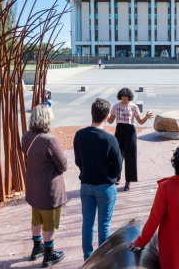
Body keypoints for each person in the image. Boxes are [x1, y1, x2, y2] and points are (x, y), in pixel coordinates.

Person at [127, 146, 179, 269]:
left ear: (175, 165)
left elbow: (154, 218)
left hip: (173, 242)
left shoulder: (165, 187)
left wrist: (141, 241)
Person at [74, 99, 123, 261]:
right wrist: (113, 177)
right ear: (107, 116)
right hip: (105, 186)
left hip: (86, 185)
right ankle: (103, 260)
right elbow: (118, 166)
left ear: (92, 113)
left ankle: (88, 258)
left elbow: (78, 161)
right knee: (104, 225)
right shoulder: (109, 139)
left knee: (87, 224)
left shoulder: (79, 135)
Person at [22, 105, 68, 267]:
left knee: (37, 218)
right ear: (46, 119)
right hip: (49, 189)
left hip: (34, 186)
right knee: (50, 221)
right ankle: (49, 253)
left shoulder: (26, 136)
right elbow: (62, 165)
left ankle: (37, 248)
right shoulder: (50, 140)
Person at [107, 88, 154, 191]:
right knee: (117, 155)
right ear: (120, 96)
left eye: (126, 96)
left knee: (130, 156)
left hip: (130, 132)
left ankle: (128, 181)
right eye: (122, 96)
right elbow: (110, 121)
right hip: (119, 130)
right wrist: (104, 115)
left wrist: (146, 117)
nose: (124, 98)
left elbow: (140, 122)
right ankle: (116, 177)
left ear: (129, 97)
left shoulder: (134, 107)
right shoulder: (116, 106)